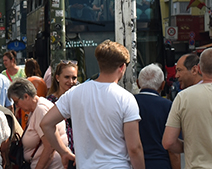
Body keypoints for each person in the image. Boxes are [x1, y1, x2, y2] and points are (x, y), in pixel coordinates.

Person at [42, 41, 144, 169]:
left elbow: (46, 123)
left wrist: (64, 152)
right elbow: (134, 148)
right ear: (122, 67)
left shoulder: (74, 93)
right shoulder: (126, 98)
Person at [9, 78, 68, 169]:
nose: (16, 106)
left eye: (16, 102)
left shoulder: (41, 110)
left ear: (26, 96)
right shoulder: (38, 108)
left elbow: (49, 147)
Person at [134, 65, 177, 169]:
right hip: (160, 163)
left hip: (132, 162)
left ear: (138, 83)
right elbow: (172, 146)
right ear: (162, 85)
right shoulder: (168, 106)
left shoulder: (128, 102)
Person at [46, 59, 79, 159]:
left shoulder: (80, 99)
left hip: (79, 152)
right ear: (57, 78)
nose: (71, 81)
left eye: (74, 78)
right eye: (66, 77)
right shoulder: (49, 102)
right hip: (59, 154)